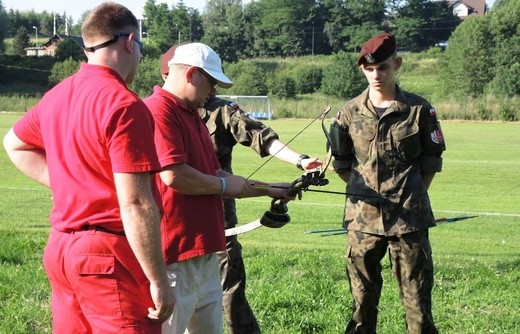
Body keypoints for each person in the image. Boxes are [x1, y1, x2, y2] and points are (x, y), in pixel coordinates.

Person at [2, 3, 174, 333]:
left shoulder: (57, 95)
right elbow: (137, 204)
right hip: (107, 256)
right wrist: (159, 281)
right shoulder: (125, 104)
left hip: (62, 248)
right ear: (129, 42)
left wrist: (72, 185)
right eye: (140, 46)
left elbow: (15, 143)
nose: (139, 55)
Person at [159, 45, 322, 334]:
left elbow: (229, 163)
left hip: (211, 236)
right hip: (179, 247)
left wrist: (276, 183)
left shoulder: (199, 115)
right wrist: (225, 185)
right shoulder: (160, 112)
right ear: (190, 74)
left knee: (229, 299)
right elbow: (176, 176)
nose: (212, 92)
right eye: (210, 82)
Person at [328, 32, 446, 334]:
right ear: (362, 69)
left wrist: (410, 194)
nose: (376, 74)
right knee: (362, 303)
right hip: (363, 222)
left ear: (397, 64)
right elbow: (342, 164)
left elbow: (431, 162)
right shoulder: (348, 113)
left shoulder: (419, 110)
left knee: (417, 302)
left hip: (409, 220)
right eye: (369, 68)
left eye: (383, 67)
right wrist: (364, 193)